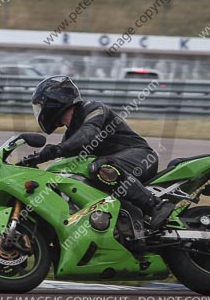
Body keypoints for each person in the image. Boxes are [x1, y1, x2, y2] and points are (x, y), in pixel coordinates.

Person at [28, 76, 175, 229]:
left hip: (141, 157)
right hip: (117, 167)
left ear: (54, 100)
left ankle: (156, 206)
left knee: (99, 167)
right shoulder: (70, 136)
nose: (40, 111)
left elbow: (88, 133)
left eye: (41, 106)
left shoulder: (93, 108)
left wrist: (57, 149)